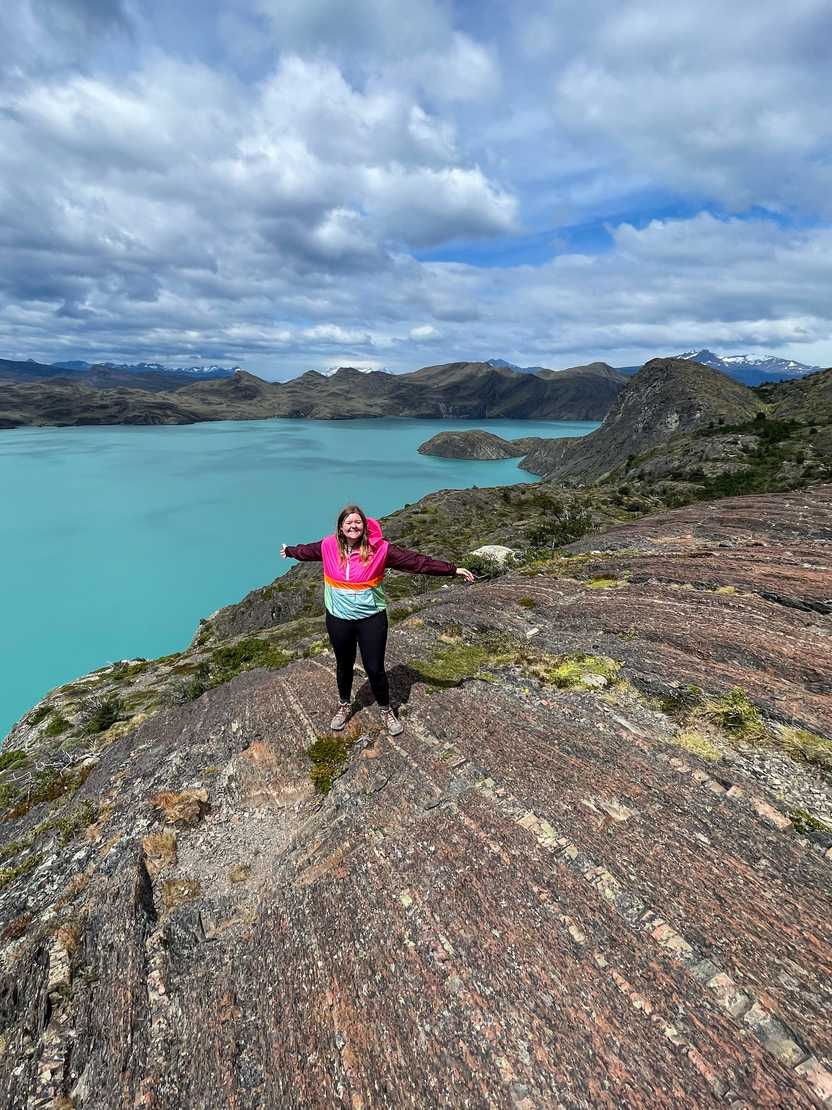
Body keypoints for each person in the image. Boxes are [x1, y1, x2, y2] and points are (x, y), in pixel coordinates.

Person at [282, 504, 475, 735]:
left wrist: (452, 570)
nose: (353, 526)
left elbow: (416, 562)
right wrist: (290, 551)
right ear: (341, 528)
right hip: (339, 620)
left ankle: (385, 710)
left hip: (371, 619)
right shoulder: (328, 546)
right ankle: (344, 706)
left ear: (364, 526)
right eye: (348, 523)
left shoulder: (381, 549)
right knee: (343, 665)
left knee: (374, 668)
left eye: (357, 522)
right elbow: (307, 551)